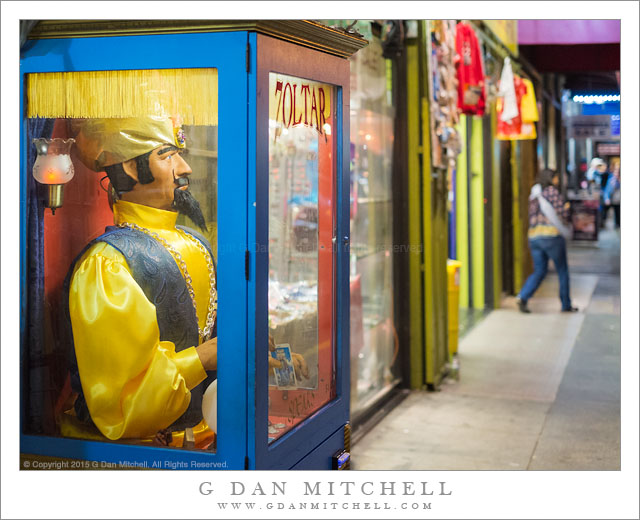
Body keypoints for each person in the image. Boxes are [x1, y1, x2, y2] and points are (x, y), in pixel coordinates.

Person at [63, 116, 218, 446]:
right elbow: (123, 402)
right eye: (167, 154)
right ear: (131, 169)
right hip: (143, 452)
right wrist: (203, 358)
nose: (185, 167)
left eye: (181, 153)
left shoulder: (195, 242)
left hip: (212, 434)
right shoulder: (108, 262)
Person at [516, 169, 578, 314]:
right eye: (556, 177)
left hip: (534, 237)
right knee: (562, 270)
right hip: (551, 236)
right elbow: (563, 212)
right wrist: (567, 211)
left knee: (539, 270)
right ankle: (565, 304)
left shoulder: (533, 195)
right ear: (551, 178)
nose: (557, 180)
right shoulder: (551, 191)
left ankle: (523, 296)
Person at [602, 162, 621, 228]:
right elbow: (607, 190)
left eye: (618, 171)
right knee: (605, 211)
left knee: (618, 214)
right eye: (615, 170)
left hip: (619, 200)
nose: (616, 172)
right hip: (612, 199)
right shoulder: (611, 179)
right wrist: (606, 198)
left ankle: (617, 225)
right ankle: (603, 223)